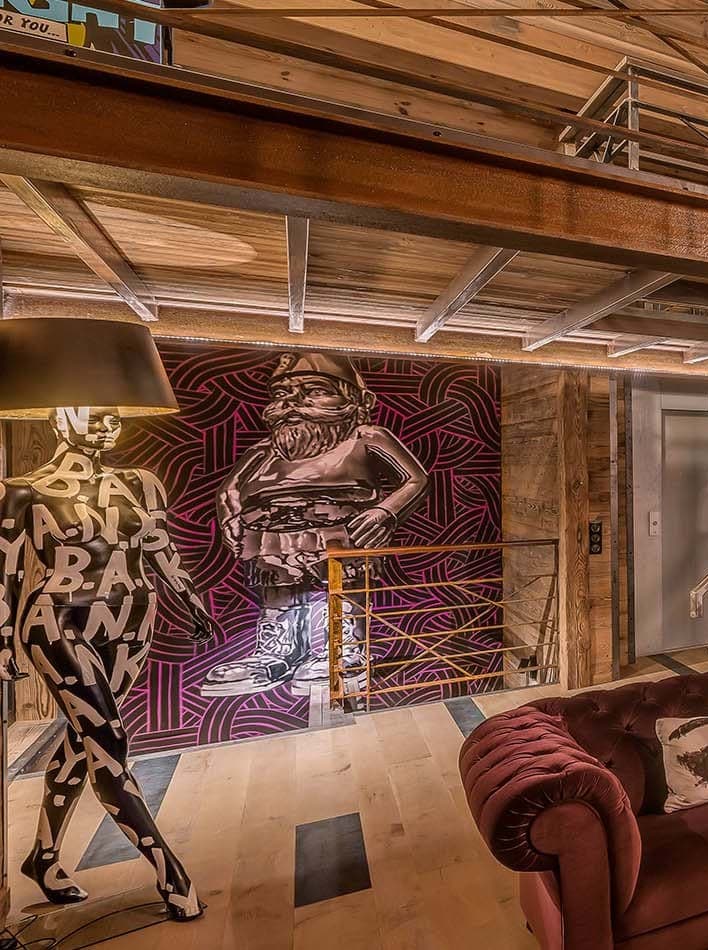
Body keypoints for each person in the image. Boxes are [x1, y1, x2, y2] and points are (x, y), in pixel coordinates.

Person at [0, 408, 214, 920]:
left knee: (83, 740)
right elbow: (5, 571)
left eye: (113, 417)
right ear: (60, 421)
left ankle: (43, 858)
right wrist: (5, 639)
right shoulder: (24, 489)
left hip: (134, 617)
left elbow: (161, 549)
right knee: (109, 743)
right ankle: (171, 872)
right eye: (93, 416)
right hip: (60, 619)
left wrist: (192, 601)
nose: (106, 426)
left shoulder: (141, 483)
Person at [205, 353, 428, 697]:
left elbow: (414, 479)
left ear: (358, 400)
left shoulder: (366, 438)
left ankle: (340, 648)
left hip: (340, 535)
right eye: (282, 394)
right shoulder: (266, 450)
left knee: (337, 595)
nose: (293, 403)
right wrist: (229, 515)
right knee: (277, 597)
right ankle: (277, 652)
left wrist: (385, 512)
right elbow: (230, 489)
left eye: (314, 390)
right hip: (270, 539)